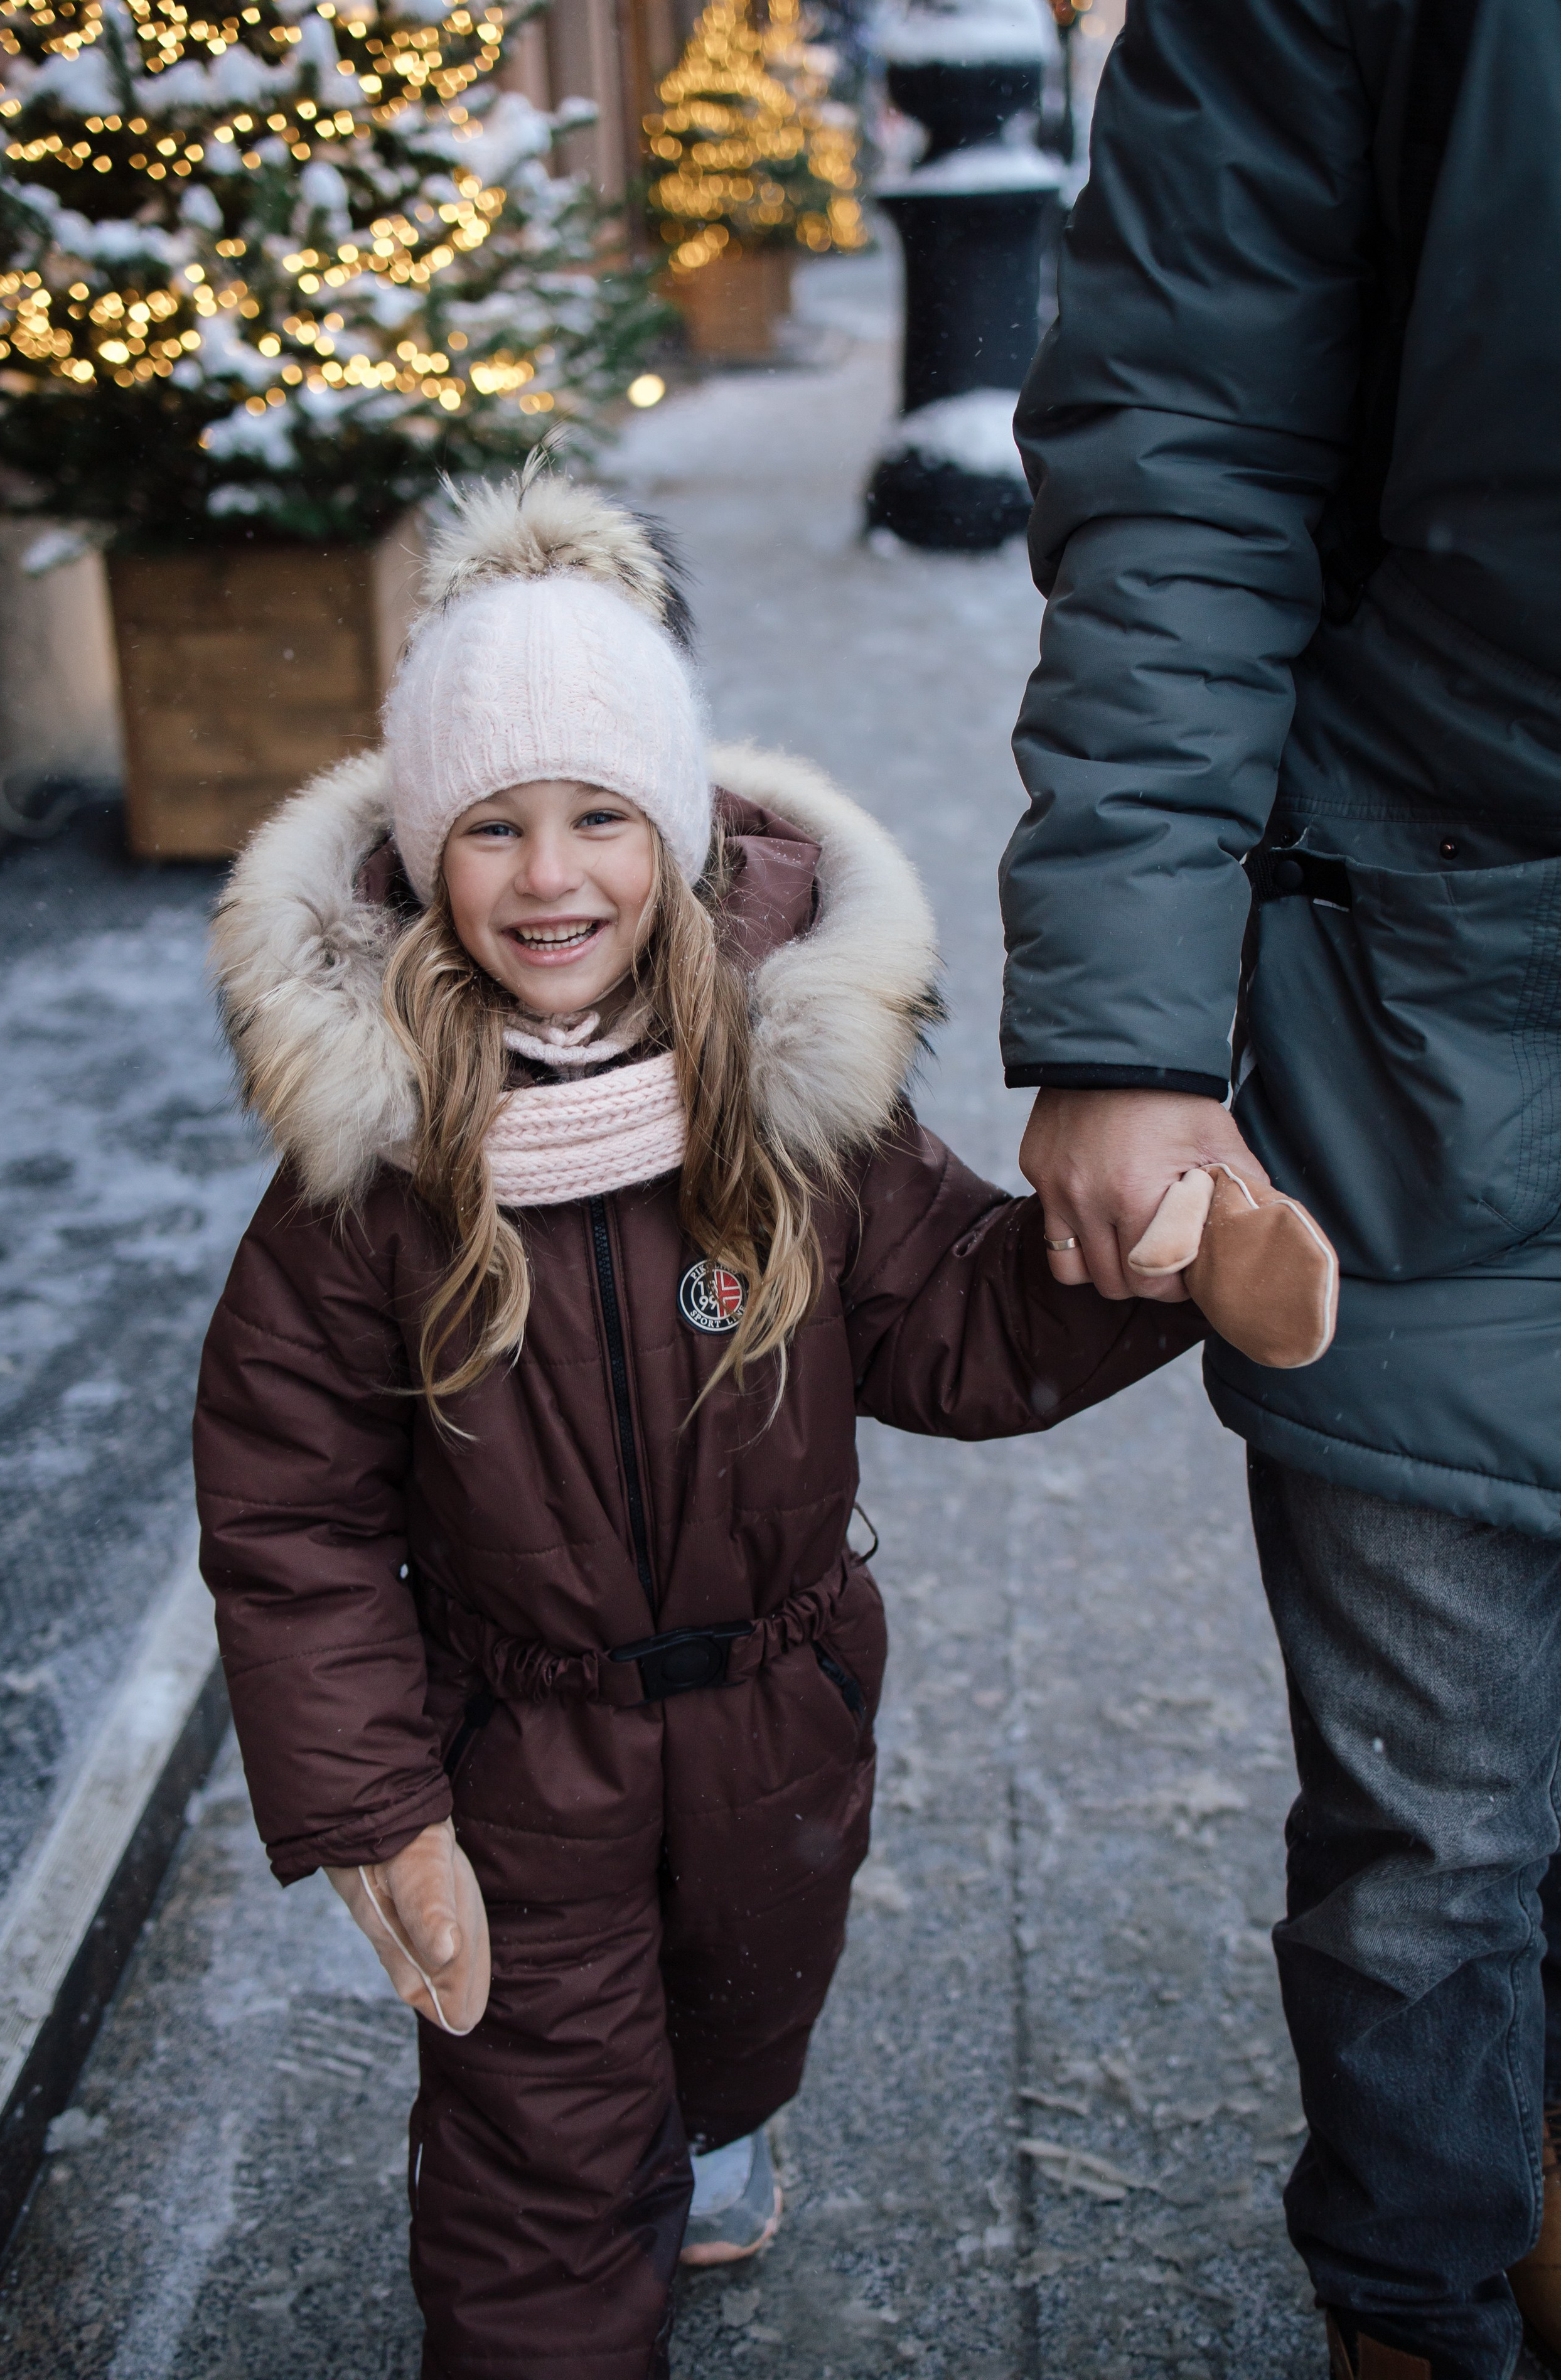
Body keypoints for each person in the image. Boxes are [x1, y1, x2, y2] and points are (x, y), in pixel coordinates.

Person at [193, 469, 1203, 2377]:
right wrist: (379, 1801)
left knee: (743, 2009)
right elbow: (291, 1512)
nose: (552, 876)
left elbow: (948, 1322)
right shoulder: (377, 1179)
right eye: (493, 827)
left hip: (778, 1705)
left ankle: (716, 2115)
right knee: (538, 2168)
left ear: (676, 829)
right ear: (423, 853)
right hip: (518, 1754)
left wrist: (1141, 1270)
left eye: (600, 818)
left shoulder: (786, 1107)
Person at [997, 0, 1561, 2374]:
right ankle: (1418, 2307)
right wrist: (1128, 1025)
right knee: (1441, 1821)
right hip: (1435, 966)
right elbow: (1192, 436)